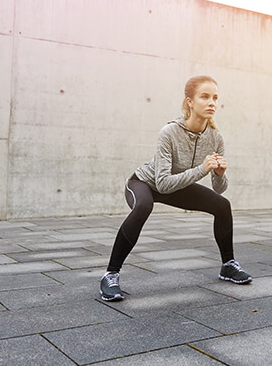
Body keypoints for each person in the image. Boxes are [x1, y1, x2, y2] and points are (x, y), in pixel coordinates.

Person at [100, 75, 252, 301]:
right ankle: (110, 275)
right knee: (143, 206)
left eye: (215, 98)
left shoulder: (216, 138)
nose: (211, 102)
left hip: (178, 184)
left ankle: (228, 265)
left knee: (222, 205)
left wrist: (219, 174)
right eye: (205, 96)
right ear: (190, 101)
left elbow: (219, 189)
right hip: (145, 183)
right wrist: (202, 169)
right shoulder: (169, 132)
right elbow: (161, 183)